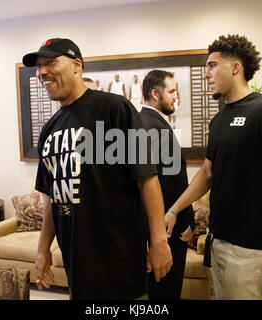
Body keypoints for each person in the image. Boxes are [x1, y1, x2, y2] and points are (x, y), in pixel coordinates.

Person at [22, 37, 172, 300]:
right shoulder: (49, 130)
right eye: (38, 66)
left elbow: (146, 178)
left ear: (77, 66)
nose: (42, 71)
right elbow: (51, 195)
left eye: (50, 62)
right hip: (77, 269)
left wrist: (159, 240)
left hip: (120, 266)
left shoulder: (114, 109)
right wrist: (43, 249)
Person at [167, 34, 262, 299]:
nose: (207, 73)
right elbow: (207, 173)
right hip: (218, 241)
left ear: (235, 68)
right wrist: (175, 208)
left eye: (212, 65)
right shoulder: (219, 120)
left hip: (251, 250)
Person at [139, 70, 195, 300]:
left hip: (148, 230)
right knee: (165, 293)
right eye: (172, 91)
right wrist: (186, 224)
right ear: (155, 93)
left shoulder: (138, 123)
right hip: (168, 231)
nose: (176, 97)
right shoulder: (158, 129)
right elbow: (172, 185)